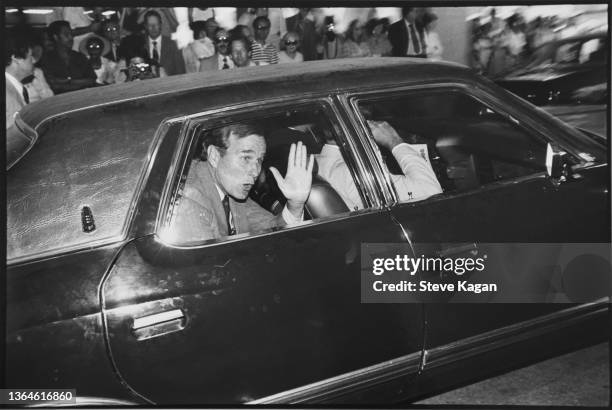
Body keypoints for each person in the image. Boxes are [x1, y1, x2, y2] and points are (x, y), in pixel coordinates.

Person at [170, 123, 313, 242]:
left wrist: (295, 204)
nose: (256, 171)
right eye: (246, 158)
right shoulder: (189, 199)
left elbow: (272, 229)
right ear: (214, 156)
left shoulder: (230, 191)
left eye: (259, 160)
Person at [316, 120, 442, 211]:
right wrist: (393, 140)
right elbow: (431, 194)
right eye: (371, 121)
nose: (377, 125)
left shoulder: (318, 162)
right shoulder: (355, 171)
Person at [39, 20, 96, 94]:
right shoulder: (47, 59)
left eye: (71, 34)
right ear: (56, 37)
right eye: (66, 35)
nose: (71, 38)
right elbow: (53, 86)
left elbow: (91, 80)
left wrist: (67, 81)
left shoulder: (80, 57)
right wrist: (80, 83)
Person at [142, 9, 185, 76]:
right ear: (145, 26)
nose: (153, 28)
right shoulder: (140, 45)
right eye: (150, 25)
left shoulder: (173, 45)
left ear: (161, 25)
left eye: (156, 24)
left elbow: (181, 73)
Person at [5, 34, 35, 129]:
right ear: (16, 59)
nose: (33, 60)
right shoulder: (7, 94)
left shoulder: (12, 86)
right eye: (31, 56)